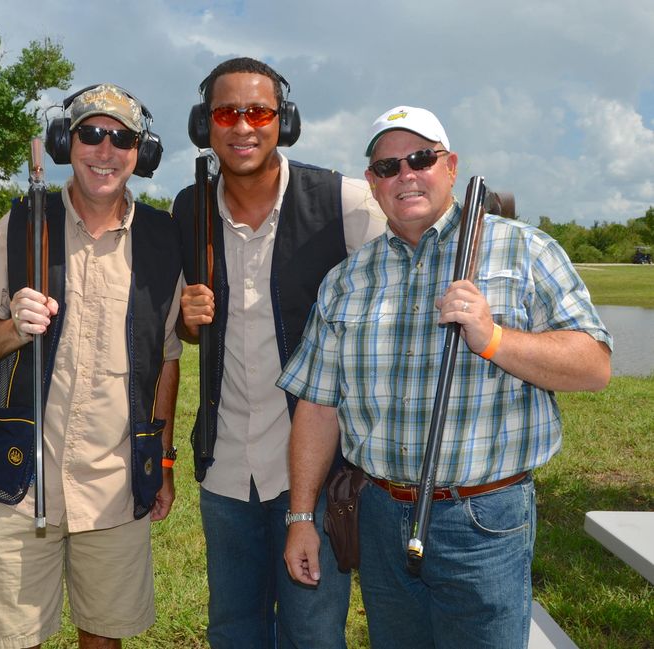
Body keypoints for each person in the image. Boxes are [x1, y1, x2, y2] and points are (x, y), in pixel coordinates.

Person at [279, 105, 612, 648]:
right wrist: (299, 516)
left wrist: (494, 338)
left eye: (420, 159)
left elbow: (594, 366)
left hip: (484, 518)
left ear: (450, 166)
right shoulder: (346, 280)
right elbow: (319, 406)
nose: (405, 175)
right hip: (380, 514)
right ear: (372, 183)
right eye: (387, 167)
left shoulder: (524, 250)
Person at [0, 83, 182, 649]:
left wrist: (165, 458)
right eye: (90, 134)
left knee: (104, 636)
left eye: (121, 138)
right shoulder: (21, 225)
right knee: (14, 639)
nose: (104, 150)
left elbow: (168, 360)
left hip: (116, 484)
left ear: (140, 153)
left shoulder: (163, 240)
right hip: (21, 482)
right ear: (65, 142)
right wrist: (11, 329)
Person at [172, 56, 386, 648]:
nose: (243, 126)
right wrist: (192, 325)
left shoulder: (344, 202)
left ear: (283, 121)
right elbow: (196, 333)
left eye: (259, 111)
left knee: (312, 635)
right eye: (226, 112)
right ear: (204, 125)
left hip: (316, 467)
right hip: (224, 469)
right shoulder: (189, 210)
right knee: (233, 631)